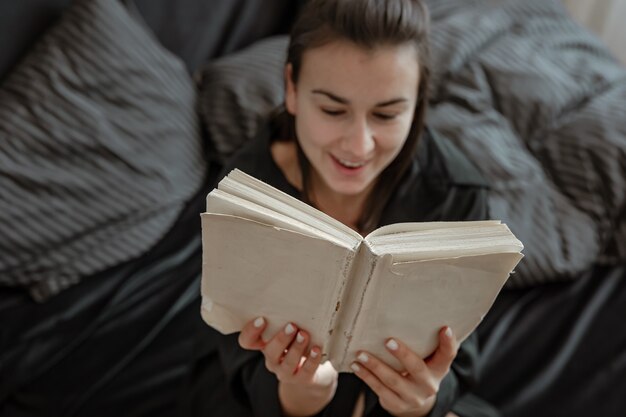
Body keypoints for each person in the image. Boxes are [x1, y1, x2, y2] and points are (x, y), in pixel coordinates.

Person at [214, 0, 497, 416]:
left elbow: (459, 360)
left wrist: (424, 400)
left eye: (386, 114)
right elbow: (233, 369)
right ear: (292, 88)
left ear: (417, 103)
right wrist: (303, 391)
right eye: (332, 110)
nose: (358, 146)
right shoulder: (245, 193)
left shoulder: (456, 193)